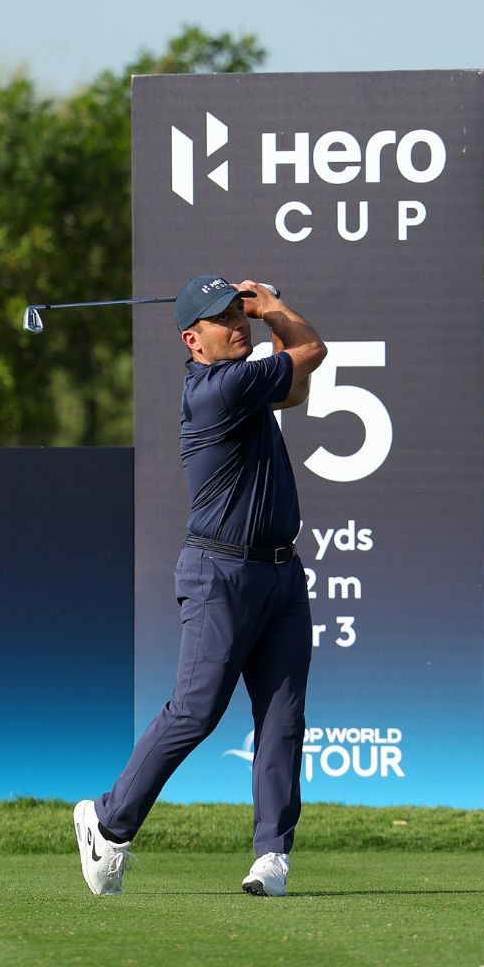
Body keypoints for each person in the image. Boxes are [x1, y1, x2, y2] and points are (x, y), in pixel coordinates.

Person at [74, 275, 326, 898]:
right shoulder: (219, 389)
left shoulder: (244, 387)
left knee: (282, 718)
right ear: (193, 340)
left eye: (239, 314)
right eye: (223, 320)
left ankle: (272, 855)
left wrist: (263, 317)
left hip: (280, 574)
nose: (238, 325)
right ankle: (106, 821)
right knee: (196, 710)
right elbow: (311, 351)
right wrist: (272, 306)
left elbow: (296, 386)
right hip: (221, 573)